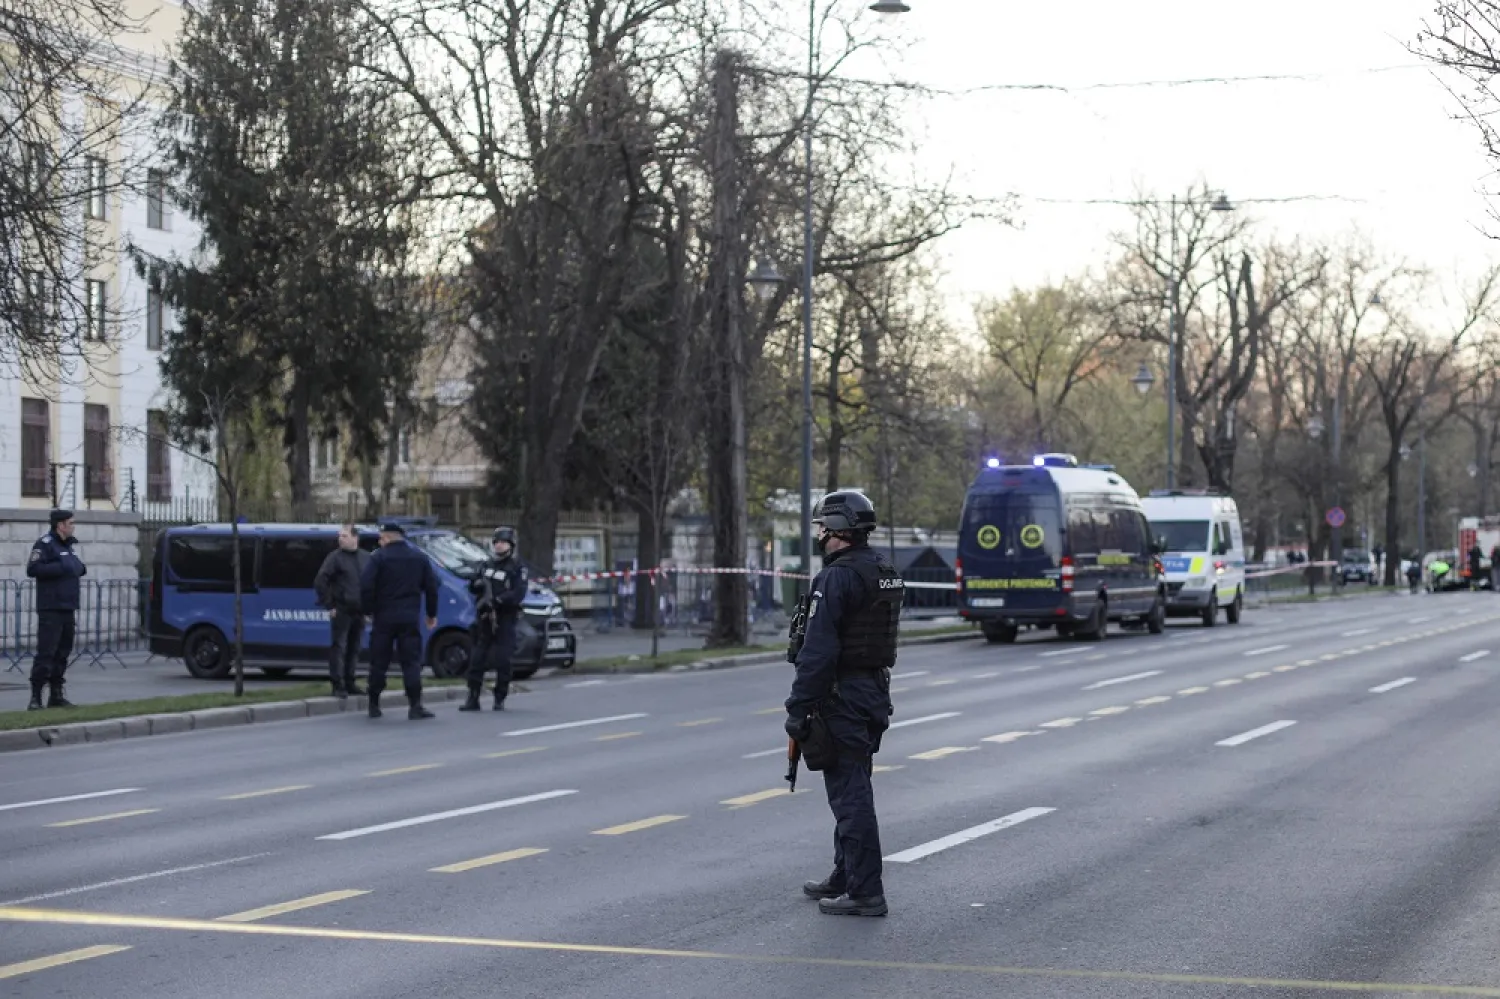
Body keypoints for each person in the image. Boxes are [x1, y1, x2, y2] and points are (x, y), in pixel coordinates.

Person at [784, 490, 903, 917]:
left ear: (837, 529)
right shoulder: (883, 569)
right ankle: (846, 874)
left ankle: (866, 891)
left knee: (849, 795)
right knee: (854, 783)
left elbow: (818, 651)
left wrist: (798, 708)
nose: (818, 534)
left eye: (821, 527)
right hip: (872, 692)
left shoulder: (836, 578)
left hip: (844, 696)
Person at [360, 521, 439, 720]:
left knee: (379, 661)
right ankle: (415, 705)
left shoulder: (378, 558)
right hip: (409, 617)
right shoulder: (419, 558)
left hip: (384, 617)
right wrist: (431, 614)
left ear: (386, 537)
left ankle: (374, 704)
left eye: (380, 538)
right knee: (411, 662)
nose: (379, 541)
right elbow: (431, 588)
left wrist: (368, 610)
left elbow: (366, 586)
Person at [461, 526, 529, 712]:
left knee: (503, 659)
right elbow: (473, 586)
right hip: (484, 618)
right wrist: (476, 584)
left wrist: (498, 601)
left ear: (510, 545)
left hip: (505, 618)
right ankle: (472, 697)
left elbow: (518, 593)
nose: (499, 546)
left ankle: (499, 697)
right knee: (477, 658)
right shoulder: (486, 565)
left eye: (503, 542)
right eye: (496, 542)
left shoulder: (517, 568)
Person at [25, 509, 86, 710]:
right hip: (51, 608)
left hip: (68, 607)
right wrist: (61, 568)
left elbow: (79, 567)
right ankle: (35, 697)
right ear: (60, 525)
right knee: (46, 653)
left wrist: (72, 567)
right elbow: (33, 569)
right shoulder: (45, 544)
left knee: (62, 653)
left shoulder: (69, 546)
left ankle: (56, 694)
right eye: (71, 523)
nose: (73, 526)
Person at [314, 524, 371, 699]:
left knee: (354, 648)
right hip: (342, 609)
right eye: (340, 536)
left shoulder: (365, 557)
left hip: (359, 610)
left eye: (344, 536)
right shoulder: (335, 558)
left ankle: (350, 681)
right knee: (339, 646)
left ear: (355, 538)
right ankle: (337, 684)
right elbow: (321, 581)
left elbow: (370, 583)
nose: (340, 539)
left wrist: (369, 608)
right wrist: (329, 605)